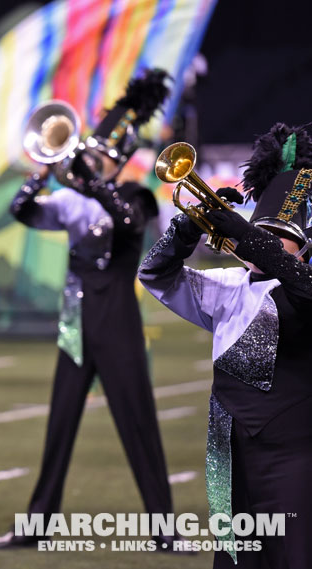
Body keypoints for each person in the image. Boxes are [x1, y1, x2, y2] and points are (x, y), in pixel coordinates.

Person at [0, 69, 181, 550]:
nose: (90, 161)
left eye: (100, 156)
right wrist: (41, 173)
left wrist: (92, 183)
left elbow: (127, 221)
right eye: (89, 154)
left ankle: (164, 530)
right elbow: (21, 211)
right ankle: (36, 525)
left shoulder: (135, 196)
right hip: (76, 323)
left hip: (117, 321)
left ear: (117, 161)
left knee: (137, 420)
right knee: (59, 424)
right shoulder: (71, 201)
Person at [138, 122, 312, 567]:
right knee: (234, 558)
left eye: (280, 236)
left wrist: (249, 233)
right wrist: (185, 230)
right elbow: (155, 275)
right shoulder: (229, 285)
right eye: (261, 229)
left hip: (290, 455)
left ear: (303, 248)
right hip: (226, 451)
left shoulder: (303, 287)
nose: (266, 242)